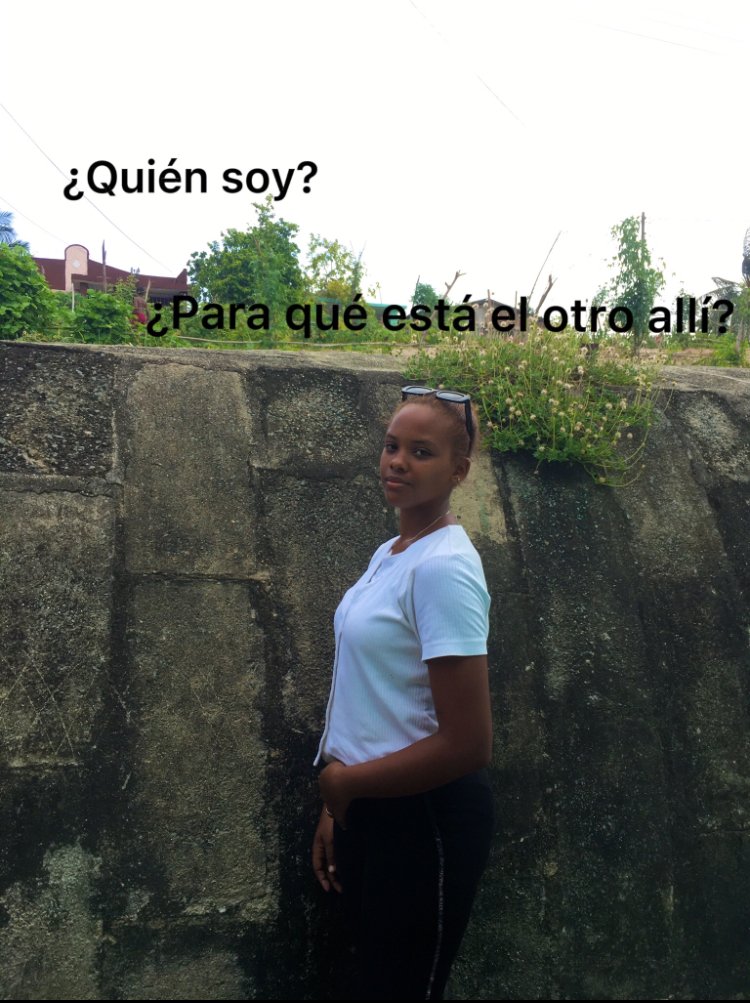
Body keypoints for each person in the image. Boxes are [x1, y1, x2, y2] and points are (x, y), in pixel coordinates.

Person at [312, 385, 495, 1001]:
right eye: (392, 446)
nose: (397, 462)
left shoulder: (443, 567)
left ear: (458, 471)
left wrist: (346, 786)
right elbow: (373, 698)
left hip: (424, 820)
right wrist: (338, 803)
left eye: (421, 452)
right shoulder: (392, 553)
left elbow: (468, 744)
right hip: (373, 802)